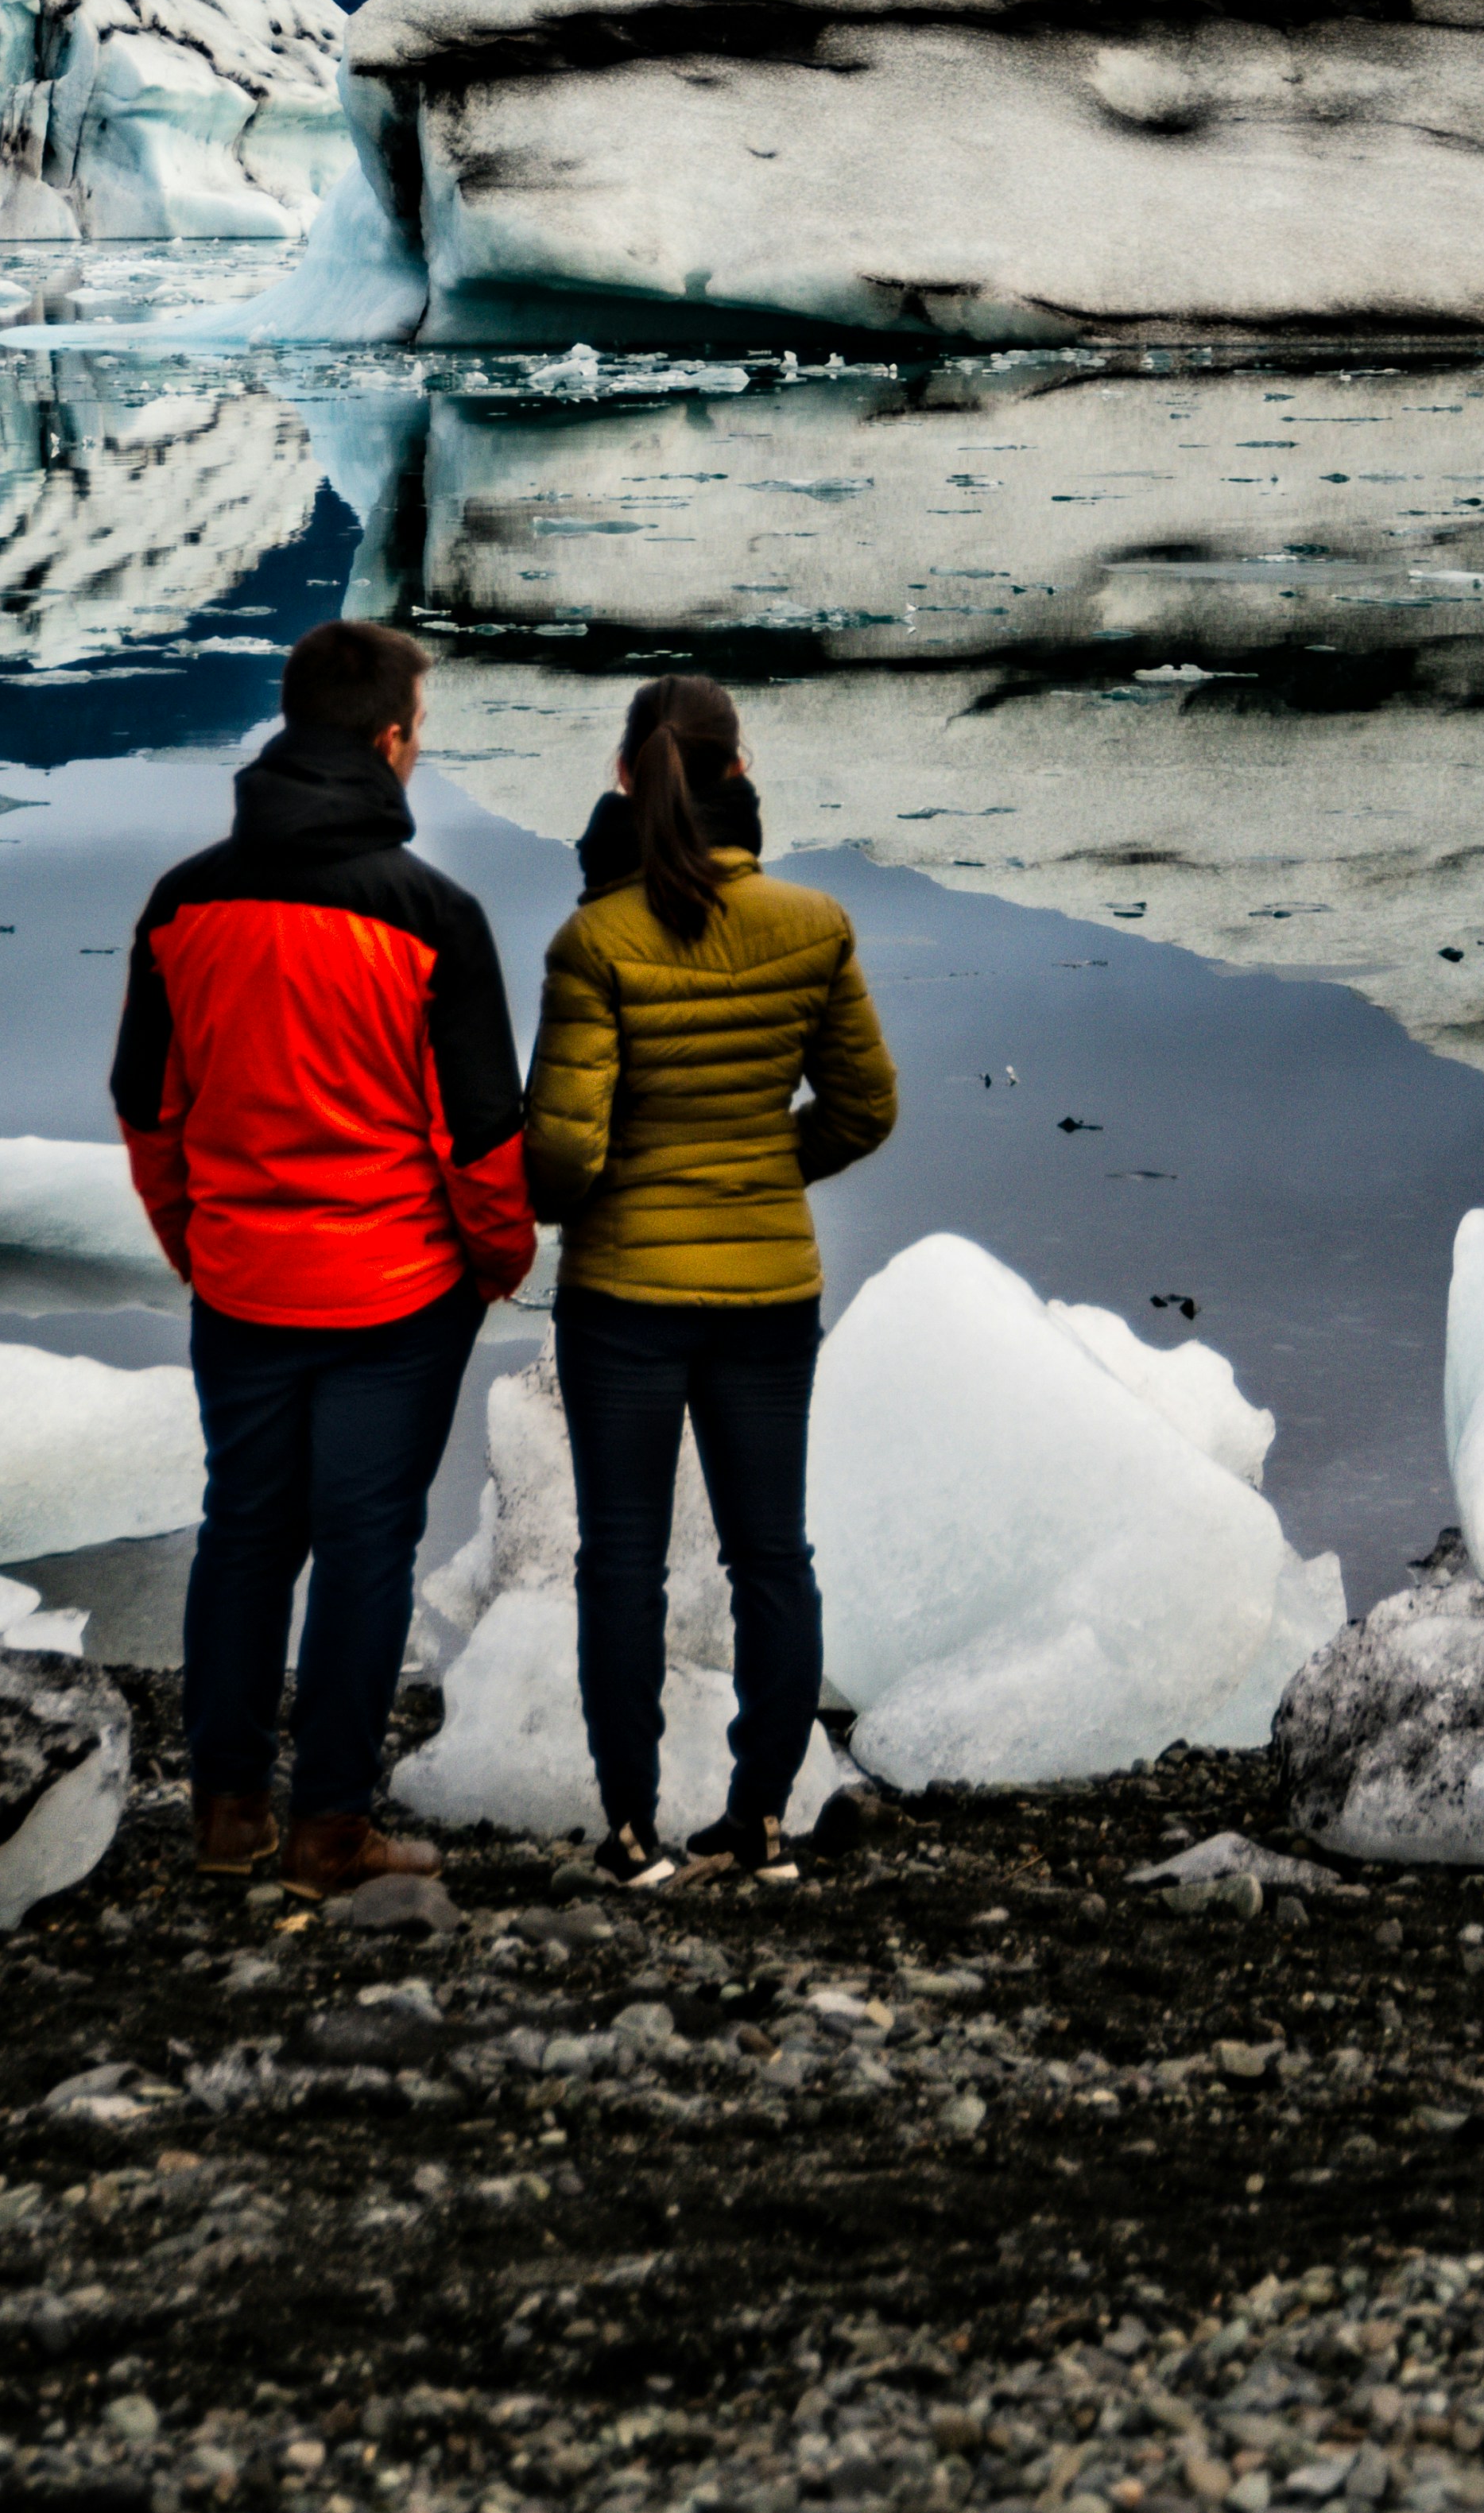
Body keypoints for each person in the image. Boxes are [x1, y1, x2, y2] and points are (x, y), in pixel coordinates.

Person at [111, 619, 533, 1895]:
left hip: (242, 1278)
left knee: (243, 1533)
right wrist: (497, 1264)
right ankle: (330, 1831)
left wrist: (196, 1239)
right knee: (364, 1547)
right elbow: (482, 1143)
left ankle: (228, 1812)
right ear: (392, 738)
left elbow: (147, 1105)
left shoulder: (185, 900)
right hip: (396, 1292)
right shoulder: (433, 915)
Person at [525, 673, 896, 1890]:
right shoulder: (814, 923)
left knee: (621, 1561)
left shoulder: (595, 940)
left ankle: (629, 1832)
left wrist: (587, 1184)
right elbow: (864, 1108)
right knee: (771, 1558)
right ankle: (762, 1823)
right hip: (768, 1291)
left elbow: (569, 1154)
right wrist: (760, 1170)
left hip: (623, 1300)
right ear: (740, 772)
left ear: (626, 780)